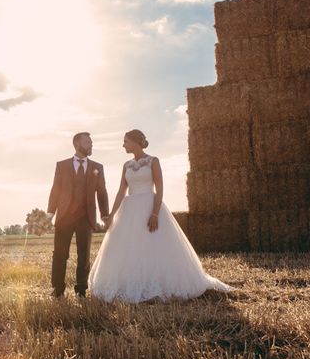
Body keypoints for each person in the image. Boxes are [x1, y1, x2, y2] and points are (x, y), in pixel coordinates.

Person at [88, 129, 233, 302]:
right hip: (129, 209)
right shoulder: (126, 165)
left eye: (125, 141)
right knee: (130, 247)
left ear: (135, 142)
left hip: (149, 205)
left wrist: (155, 213)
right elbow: (121, 191)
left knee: (153, 245)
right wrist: (111, 214)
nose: (123, 145)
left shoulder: (153, 161)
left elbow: (159, 189)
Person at [47, 132, 109, 298]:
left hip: (86, 217)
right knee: (60, 254)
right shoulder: (62, 165)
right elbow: (56, 190)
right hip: (64, 216)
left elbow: (102, 192)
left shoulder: (98, 167)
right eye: (88, 142)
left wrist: (105, 215)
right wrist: (50, 214)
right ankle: (58, 289)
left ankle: (81, 290)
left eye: (91, 142)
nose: (91, 145)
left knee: (84, 255)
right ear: (77, 144)